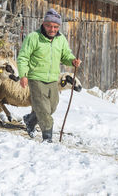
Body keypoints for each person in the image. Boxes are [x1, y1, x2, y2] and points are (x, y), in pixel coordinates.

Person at [17, 8, 81, 143]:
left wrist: (72, 61)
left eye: (55, 26)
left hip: (52, 79)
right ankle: (48, 139)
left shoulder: (61, 39)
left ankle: (30, 119)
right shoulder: (33, 37)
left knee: (52, 107)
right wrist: (23, 75)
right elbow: (23, 57)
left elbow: (65, 55)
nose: (52, 29)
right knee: (44, 111)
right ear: (43, 24)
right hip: (36, 78)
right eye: (49, 26)